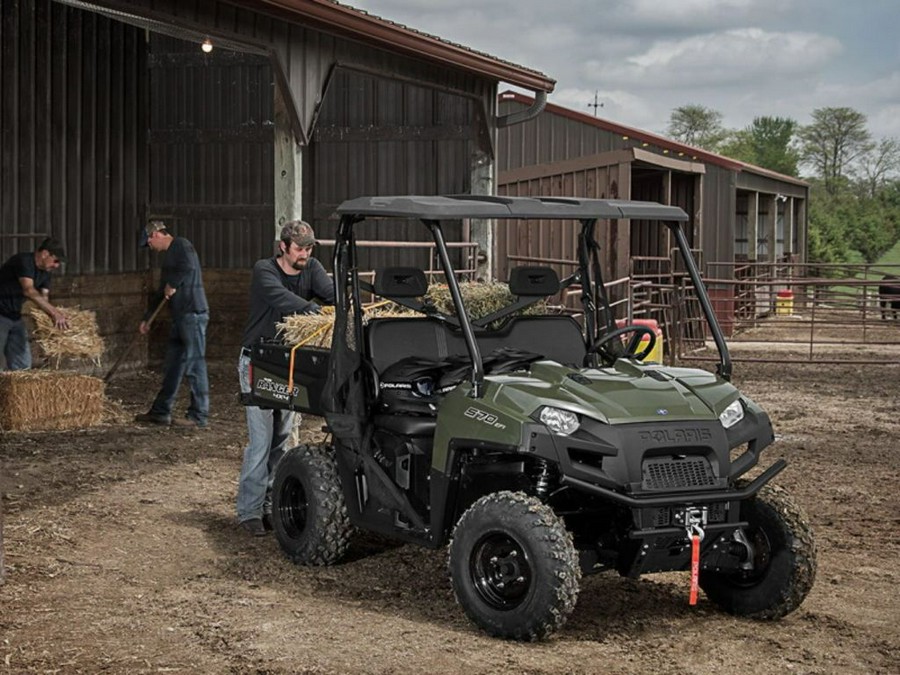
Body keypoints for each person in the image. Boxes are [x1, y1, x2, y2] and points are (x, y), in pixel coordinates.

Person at [236, 220, 334, 536]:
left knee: (282, 438)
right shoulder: (264, 270)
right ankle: (249, 511)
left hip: (291, 363)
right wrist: (317, 314)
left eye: (308, 248)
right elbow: (282, 299)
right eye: (299, 248)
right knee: (261, 441)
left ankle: (270, 505)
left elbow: (331, 293)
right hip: (259, 360)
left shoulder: (313, 267)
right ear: (283, 247)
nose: (305, 253)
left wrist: (351, 302)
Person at [134, 219, 210, 428]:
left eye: (150, 243)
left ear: (157, 234)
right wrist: (147, 318)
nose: (151, 248)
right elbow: (162, 291)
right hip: (181, 317)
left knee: (195, 365)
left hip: (193, 313)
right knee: (174, 365)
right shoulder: (170, 257)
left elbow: (187, 267)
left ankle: (199, 416)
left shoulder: (182, 245)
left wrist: (173, 284)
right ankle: (161, 411)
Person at [0, 238, 69, 370]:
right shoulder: (23, 261)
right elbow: (29, 290)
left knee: (23, 364)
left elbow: (44, 298)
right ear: (44, 254)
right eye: (56, 260)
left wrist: (49, 324)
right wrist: (55, 313)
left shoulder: (46, 273)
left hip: (14, 315)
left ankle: (19, 390)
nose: (57, 265)